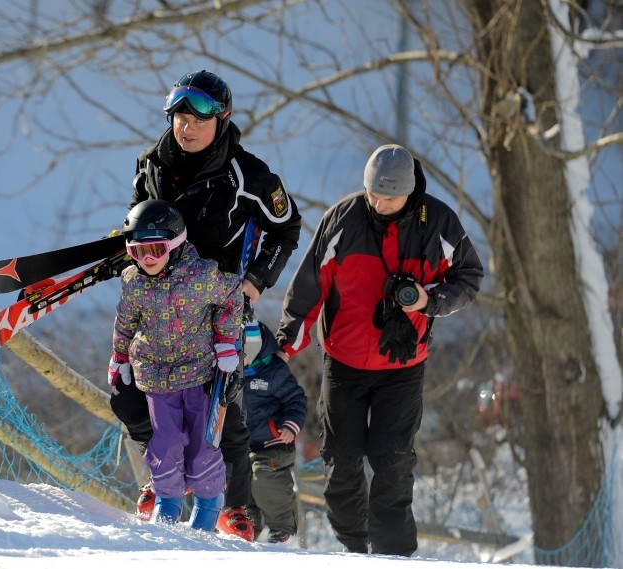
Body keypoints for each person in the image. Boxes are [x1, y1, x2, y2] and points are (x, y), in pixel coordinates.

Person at [110, 69, 302, 541]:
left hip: (217, 304)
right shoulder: (148, 165)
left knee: (221, 406)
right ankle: (163, 483)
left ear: (222, 119)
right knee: (135, 396)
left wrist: (256, 282)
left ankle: (233, 506)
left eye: (198, 117)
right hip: (157, 304)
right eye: (178, 115)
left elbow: (287, 228)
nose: (186, 126)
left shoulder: (248, 174)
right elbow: (137, 221)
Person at [275, 144, 483, 556]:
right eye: (371, 192)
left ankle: (394, 556)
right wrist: (286, 344)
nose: (377, 201)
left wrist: (428, 300)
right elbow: (309, 287)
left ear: (409, 192)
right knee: (342, 462)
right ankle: (355, 549)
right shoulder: (343, 219)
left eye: (387, 196)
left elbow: (469, 276)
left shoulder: (438, 222)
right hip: (344, 363)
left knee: (392, 462)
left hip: (403, 368)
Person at [107, 199, 244, 530]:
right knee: (165, 443)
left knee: (202, 445)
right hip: (155, 378)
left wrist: (226, 341)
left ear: (176, 244)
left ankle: (208, 506)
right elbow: (125, 321)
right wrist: (120, 356)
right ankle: (167, 503)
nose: (148, 260)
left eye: (155, 249)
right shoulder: (134, 282)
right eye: (138, 252)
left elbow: (233, 297)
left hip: (198, 373)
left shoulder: (202, 277)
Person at [240, 319, 307, 544]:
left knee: (264, 479)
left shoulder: (273, 370)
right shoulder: (230, 372)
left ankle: (281, 525)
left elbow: (295, 398)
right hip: (241, 443)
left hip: (273, 442)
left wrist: (290, 424)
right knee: (241, 483)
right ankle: (248, 525)